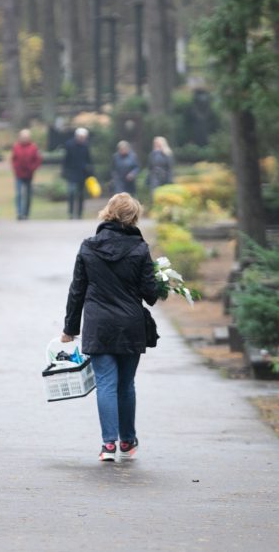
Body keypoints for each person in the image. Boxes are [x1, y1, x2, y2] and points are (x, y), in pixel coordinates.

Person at [60, 193, 159, 462]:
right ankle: (128, 441)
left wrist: (69, 328)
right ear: (133, 217)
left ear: (108, 213)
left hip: (99, 325)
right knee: (126, 384)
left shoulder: (88, 247)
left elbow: (77, 290)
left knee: (105, 383)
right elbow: (150, 294)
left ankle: (108, 445)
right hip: (129, 325)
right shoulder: (140, 249)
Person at [10, 128, 42, 220]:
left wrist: (33, 168)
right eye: (23, 137)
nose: (24, 139)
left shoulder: (33, 147)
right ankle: (19, 213)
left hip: (29, 174)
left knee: (28, 194)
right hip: (19, 174)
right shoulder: (16, 146)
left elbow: (38, 160)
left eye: (26, 137)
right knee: (19, 194)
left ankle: (26, 213)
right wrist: (15, 168)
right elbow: (13, 159)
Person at [62, 127, 92, 219]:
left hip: (82, 173)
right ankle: (71, 213)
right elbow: (65, 159)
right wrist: (64, 171)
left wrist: (90, 172)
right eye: (81, 137)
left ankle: (79, 213)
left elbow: (89, 160)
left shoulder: (86, 146)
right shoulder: (69, 145)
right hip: (71, 172)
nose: (82, 139)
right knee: (71, 192)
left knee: (81, 194)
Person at [146, 136, 174, 203]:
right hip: (154, 177)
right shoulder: (152, 154)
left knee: (164, 194)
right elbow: (150, 167)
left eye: (157, 143)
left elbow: (170, 167)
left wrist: (170, 179)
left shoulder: (167, 153)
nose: (155, 144)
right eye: (154, 143)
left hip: (164, 176)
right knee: (153, 193)